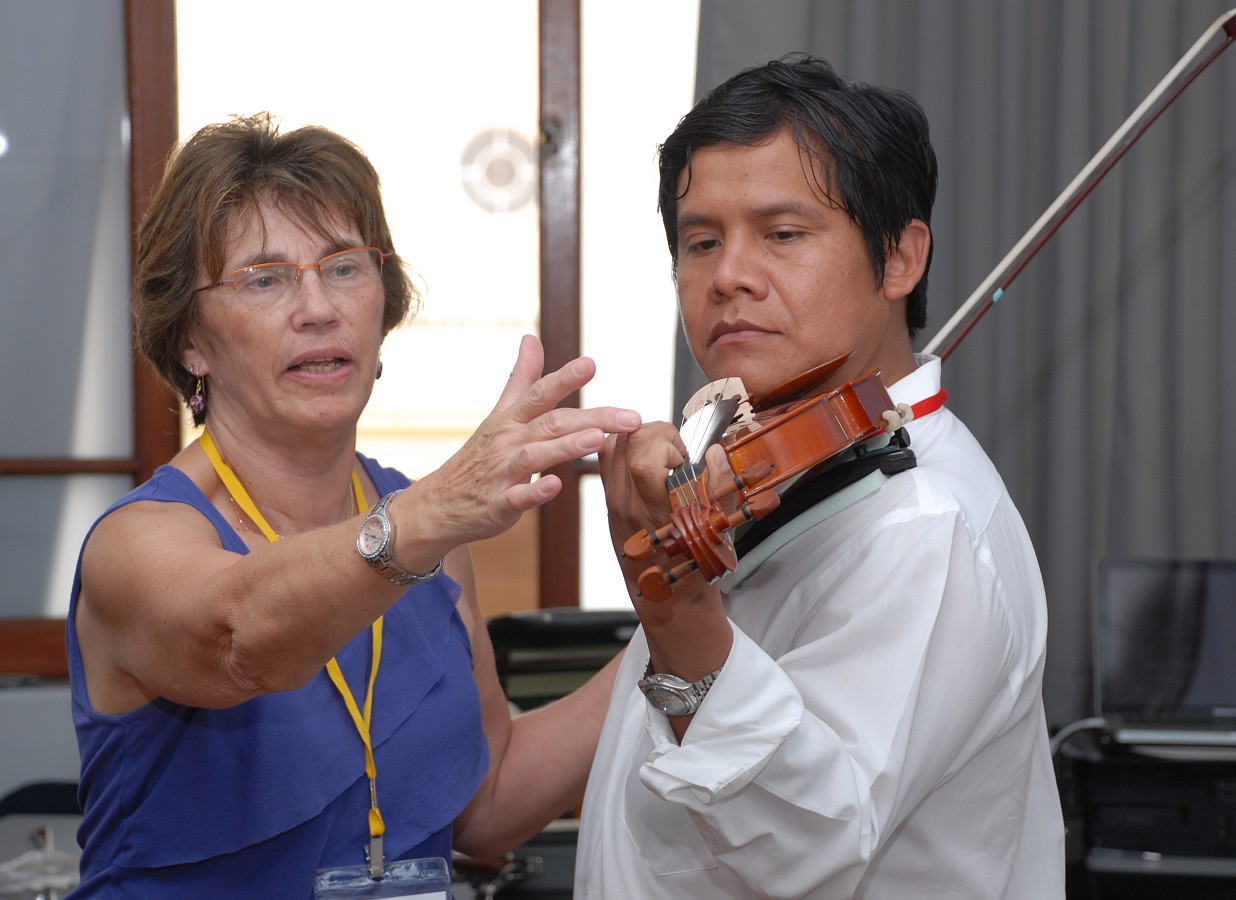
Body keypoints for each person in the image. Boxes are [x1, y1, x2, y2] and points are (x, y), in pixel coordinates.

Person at [65, 113, 641, 898]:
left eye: (344, 267)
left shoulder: (418, 526)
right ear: (190, 341)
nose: (318, 307)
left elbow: (488, 804)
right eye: (264, 279)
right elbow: (241, 635)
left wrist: (670, 620)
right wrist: (434, 513)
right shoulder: (137, 543)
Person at [576, 55, 1066, 898]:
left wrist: (673, 604)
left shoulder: (920, 527)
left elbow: (792, 851)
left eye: (783, 234)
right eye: (701, 241)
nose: (728, 275)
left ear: (900, 258)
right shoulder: (773, 478)